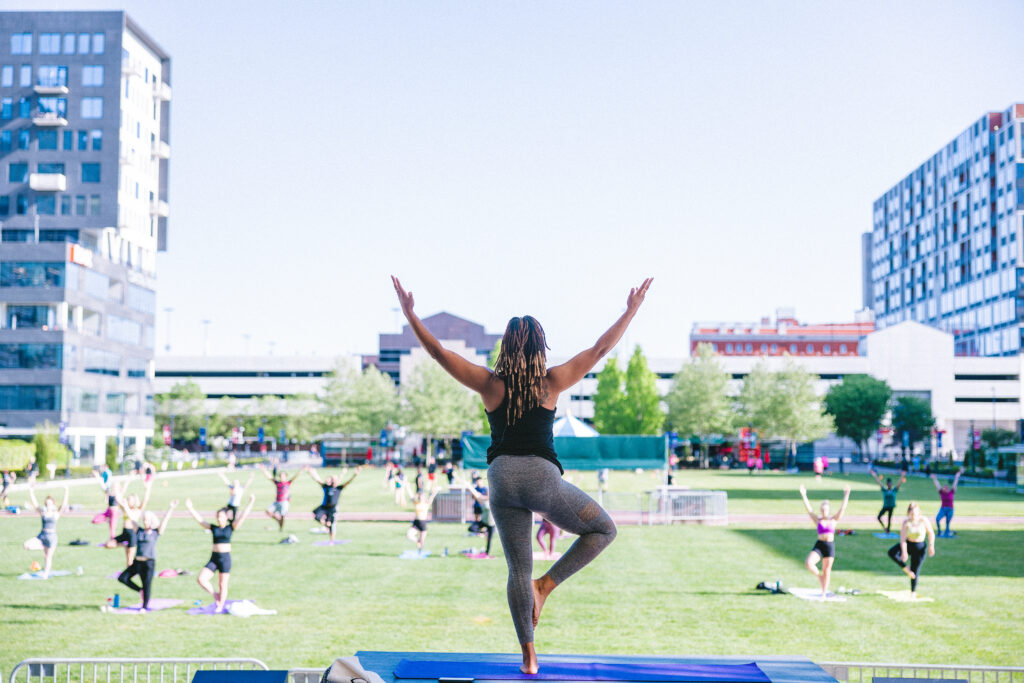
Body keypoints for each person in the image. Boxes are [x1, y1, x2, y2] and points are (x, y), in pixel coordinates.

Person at [392, 275, 650, 674]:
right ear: (539, 346)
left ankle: (529, 658)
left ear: (506, 347)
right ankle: (546, 586)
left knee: (517, 569)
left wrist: (410, 314)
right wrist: (630, 310)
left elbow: (439, 353)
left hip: (500, 479)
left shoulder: (489, 383)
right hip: (541, 479)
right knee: (603, 530)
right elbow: (600, 349)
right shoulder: (553, 381)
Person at [184, 494, 256, 612]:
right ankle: (215, 595)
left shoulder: (230, 528)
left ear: (226, 518)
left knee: (222, 584)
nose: (219, 519)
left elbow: (243, 517)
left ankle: (220, 605)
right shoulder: (214, 528)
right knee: (201, 579)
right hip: (214, 558)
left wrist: (250, 503)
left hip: (225, 559)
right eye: (217, 517)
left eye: (221, 517)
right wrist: (190, 508)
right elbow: (200, 520)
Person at [117, 500, 177, 612]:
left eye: (147, 520)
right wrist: (125, 507)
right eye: (144, 520)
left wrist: (171, 508)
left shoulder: (156, 532)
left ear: (151, 521)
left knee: (147, 584)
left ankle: (144, 606)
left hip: (149, 563)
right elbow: (131, 519)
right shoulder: (139, 531)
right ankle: (140, 590)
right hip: (137, 562)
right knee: (123, 578)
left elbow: (165, 520)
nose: (145, 522)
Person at [798, 484, 851, 598]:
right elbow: (809, 509)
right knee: (809, 563)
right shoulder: (818, 520)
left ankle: (823, 592)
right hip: (819, 545)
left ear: (828, 510)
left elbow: (843, 508)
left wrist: (846, 495)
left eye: (825, 509)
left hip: (829, 546)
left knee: (826, 570)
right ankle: (819, 576)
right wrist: (804, 495)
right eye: (822, 509)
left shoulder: (834, 519)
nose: (823, 511)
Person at [886, 501, 936, 598]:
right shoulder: (906, 522)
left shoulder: (923, 520)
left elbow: (931, 533)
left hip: (920, 547)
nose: (913, 515)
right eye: (911, 513)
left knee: (915, 570)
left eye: (915, 513)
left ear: (918, 512)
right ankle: (906, 568)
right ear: (908, 513)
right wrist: (904, 552)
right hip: (909, 544)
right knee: (892, 552)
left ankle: (913, 591)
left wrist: (931, 545)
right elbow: (903, 538)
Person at [23, 484, 70, 577]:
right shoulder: (43, 513)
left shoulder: (56, 513)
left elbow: (64, 504)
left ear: (53, 504)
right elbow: (35, 504)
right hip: (42, 535)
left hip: (51, 536)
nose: (48, 504)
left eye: (50, 503)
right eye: (47, 503)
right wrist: (31, 492)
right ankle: (41, 547)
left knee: (47, 557)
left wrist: (66, 491)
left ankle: (45, 574)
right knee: (26, 545)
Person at [305, 465, 361, 541]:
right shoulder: (326, 487)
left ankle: (331, 540)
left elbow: (349, 482)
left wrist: (355, 474)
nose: (334, 481)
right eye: (333, 479)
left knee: (332, 524)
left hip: (332, 509)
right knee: (316, 515)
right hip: (324, 507)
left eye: (335, 479)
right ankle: (326, 525)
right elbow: (317, 480)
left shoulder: (339, 488)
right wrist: (311, 473)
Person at [107, 479, 154, 567]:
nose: (128, 500)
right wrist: (116, 488)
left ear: (135, 501)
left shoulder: (138, 510)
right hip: (125, 532)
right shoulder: (125, 508)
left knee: (129, 559)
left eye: (130, 499)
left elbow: (146, 499)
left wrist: (148, 488)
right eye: (128, 499)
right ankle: (124, 545)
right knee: (108, 544)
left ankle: (130, 574)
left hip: (133, 534)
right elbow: (118, 498)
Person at [259, 464, 300, 532]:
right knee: (268, 511)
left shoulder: (288, 483)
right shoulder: (277, 483)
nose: (282, 477)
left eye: (283, 476)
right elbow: (270, 477)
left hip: (284, 502)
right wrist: (264, 470)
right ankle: (278, 520)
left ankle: (281, 529)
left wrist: (301, 471)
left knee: (282, 516)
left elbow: (295, 477)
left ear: (286, 477)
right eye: (281, 476)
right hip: (277, 502)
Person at [870, 470, 906, 534]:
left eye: (890, 484)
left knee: (889, 519)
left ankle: (888, 530)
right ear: (887, 484)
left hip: (891, 506)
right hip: (885, 506)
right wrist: (875, 475)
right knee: (879, 517)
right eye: (888, 484)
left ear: (891, 484)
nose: (889, 485)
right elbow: (879, 483)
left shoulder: (894, 490)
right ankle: (884, 528)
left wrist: (902, 475)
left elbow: (899, 483)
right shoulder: (884, 490)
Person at [932, 468, 963, 537]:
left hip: (950, 509)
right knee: (937, 519)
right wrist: (934, 478)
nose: (944, 489)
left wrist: (957, 476)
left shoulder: (952, 492)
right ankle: (939, 531)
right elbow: (937, 485)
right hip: (943, 509)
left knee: (947, 522)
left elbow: (955, 483)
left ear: (948, 488)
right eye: (944, 488)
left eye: (946, 488)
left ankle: (947, 531)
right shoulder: (941, 493)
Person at [91, 467, 119, 542]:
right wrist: (97, 476)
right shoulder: (109, 492)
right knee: (95, 520)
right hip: (108, 511)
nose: (113, 486)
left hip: (114, 512)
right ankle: (107, 519)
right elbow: (103, 486)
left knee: (112, 529)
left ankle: (113, 541)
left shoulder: (118, 495)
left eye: (115, 486)